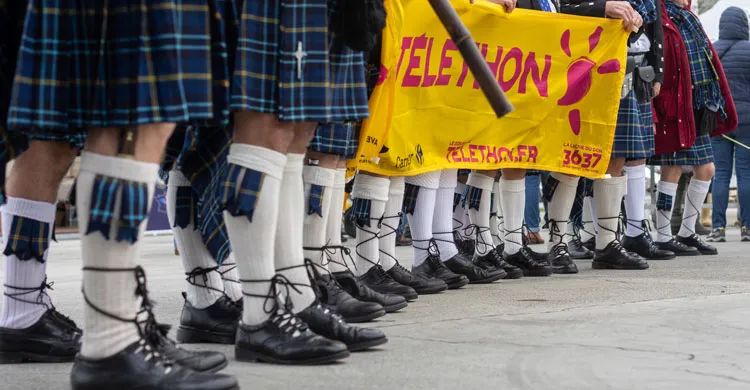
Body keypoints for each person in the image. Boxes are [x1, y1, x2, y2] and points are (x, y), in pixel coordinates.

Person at [561, 0, 664, 270]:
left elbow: (655, 29)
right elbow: (562, 7)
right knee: (576, 158)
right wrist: (603, 6)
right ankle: (563, 241)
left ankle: (608, 243)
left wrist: (657, 71)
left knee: (617, 158)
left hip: (627, 68)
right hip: (585, 65)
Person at [648, 0, 738, 256]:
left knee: (706, 169)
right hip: (675, 104)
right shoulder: (661, 17)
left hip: (698, 103)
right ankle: (664, 234)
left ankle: (687, 232)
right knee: (672, 169)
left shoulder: (688, 17)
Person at [708, 6, 750, 242]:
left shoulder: (713, 50)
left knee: (721, 174)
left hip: (720, 122)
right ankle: (747, 228)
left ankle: (718, 229)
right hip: (747, 122)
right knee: (746, 174)